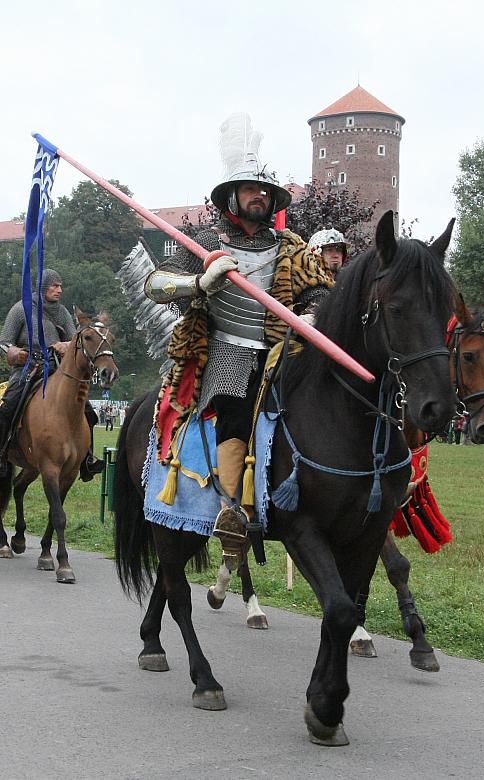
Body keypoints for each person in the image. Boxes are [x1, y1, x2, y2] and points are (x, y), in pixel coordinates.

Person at [144, 114, 334, 559]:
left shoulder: (291, 246)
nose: (260, 196)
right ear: (232, 196)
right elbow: (155, 284)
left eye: (265, 190)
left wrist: (311, 313)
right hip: (226, 351)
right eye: (251, 189)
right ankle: (232, 510)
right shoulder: (205, 242)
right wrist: (199, 284)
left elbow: (324, 285)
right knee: (236, 405)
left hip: (282, 349)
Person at [0, 269, 104, 480]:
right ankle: (2, 454)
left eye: (61, 286)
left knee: (88, 411)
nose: (59, 290)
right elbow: (4, 341)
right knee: (8, 406)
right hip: (27, 369)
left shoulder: (63, 313)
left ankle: (87, 460)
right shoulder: (22, 308)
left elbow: (77, 342)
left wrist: (66, 344)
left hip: (57, 369)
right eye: (54, 286)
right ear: (43, 287)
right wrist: (13, 352)